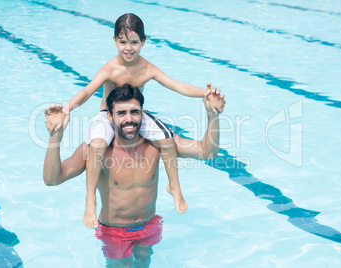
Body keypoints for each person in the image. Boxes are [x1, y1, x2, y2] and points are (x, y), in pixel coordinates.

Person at [46, 13, 226, 229]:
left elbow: (178, 86)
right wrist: (65, 111)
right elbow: (86, 92)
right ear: (114, 41)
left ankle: (175, 187)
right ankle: (90, 199)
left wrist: (205, 97)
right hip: (106, 115)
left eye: (134, 42)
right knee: (98, 145)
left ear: (143, 41)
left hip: (149, 227)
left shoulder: (147, 68)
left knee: (167, 139)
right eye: (122, 42)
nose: (128, 48)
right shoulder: (110, 68)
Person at [43, 84, 222, 266]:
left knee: (144, 261)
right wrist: (55, 137)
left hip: (149, 225)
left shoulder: (157, 143)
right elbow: (52, 179)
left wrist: (212, 115)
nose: (129, 119)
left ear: (142, 114)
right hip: (114, 232)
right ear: (110, 117)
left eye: (134, 112)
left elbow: (207, 152)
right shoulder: (98, 151)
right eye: (121, 113)